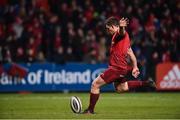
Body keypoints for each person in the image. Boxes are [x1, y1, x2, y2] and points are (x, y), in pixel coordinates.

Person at [83, 17, 155, 114]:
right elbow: (131, 53)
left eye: (108, 28)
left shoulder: (119, 34)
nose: (107, 31)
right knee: (121, 88)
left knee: (95, 85)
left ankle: (90, 110)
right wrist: (135, 66)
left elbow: (122, 32)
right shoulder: (126, 38)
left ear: (114, 27)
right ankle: (147, 83)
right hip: (122, 69)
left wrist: (121, 27)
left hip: (116, 68)